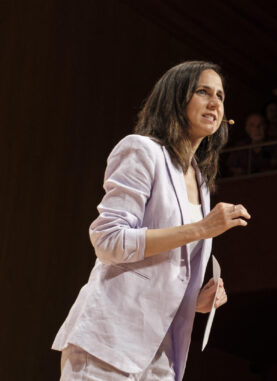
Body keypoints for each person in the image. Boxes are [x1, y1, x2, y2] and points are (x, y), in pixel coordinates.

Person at [51, 61, 252, 380]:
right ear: (175, 98)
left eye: (220, 95)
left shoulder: (201, 182)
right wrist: (201, 229)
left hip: (160, 356)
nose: (215, 102)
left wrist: (196, 301)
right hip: (109, 343)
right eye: (203, 92)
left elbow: (170, 270)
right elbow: (108, 241)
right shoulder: (141, 151)